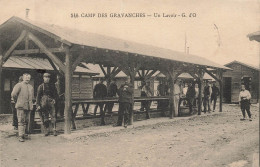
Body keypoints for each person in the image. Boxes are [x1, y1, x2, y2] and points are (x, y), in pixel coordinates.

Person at [11, 73, 34, 142]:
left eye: (28, 77)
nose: (27, 79)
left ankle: (24, 134)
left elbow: (31, 97)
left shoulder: (31, 87)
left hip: (28, 107)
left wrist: (31, 105)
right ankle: (20, 136)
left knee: (26, 121)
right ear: (23, 78)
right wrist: (17, 101)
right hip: (21, 106)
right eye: (26, 77)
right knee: (21, 121)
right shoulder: (19, 85)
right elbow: (13, 94)